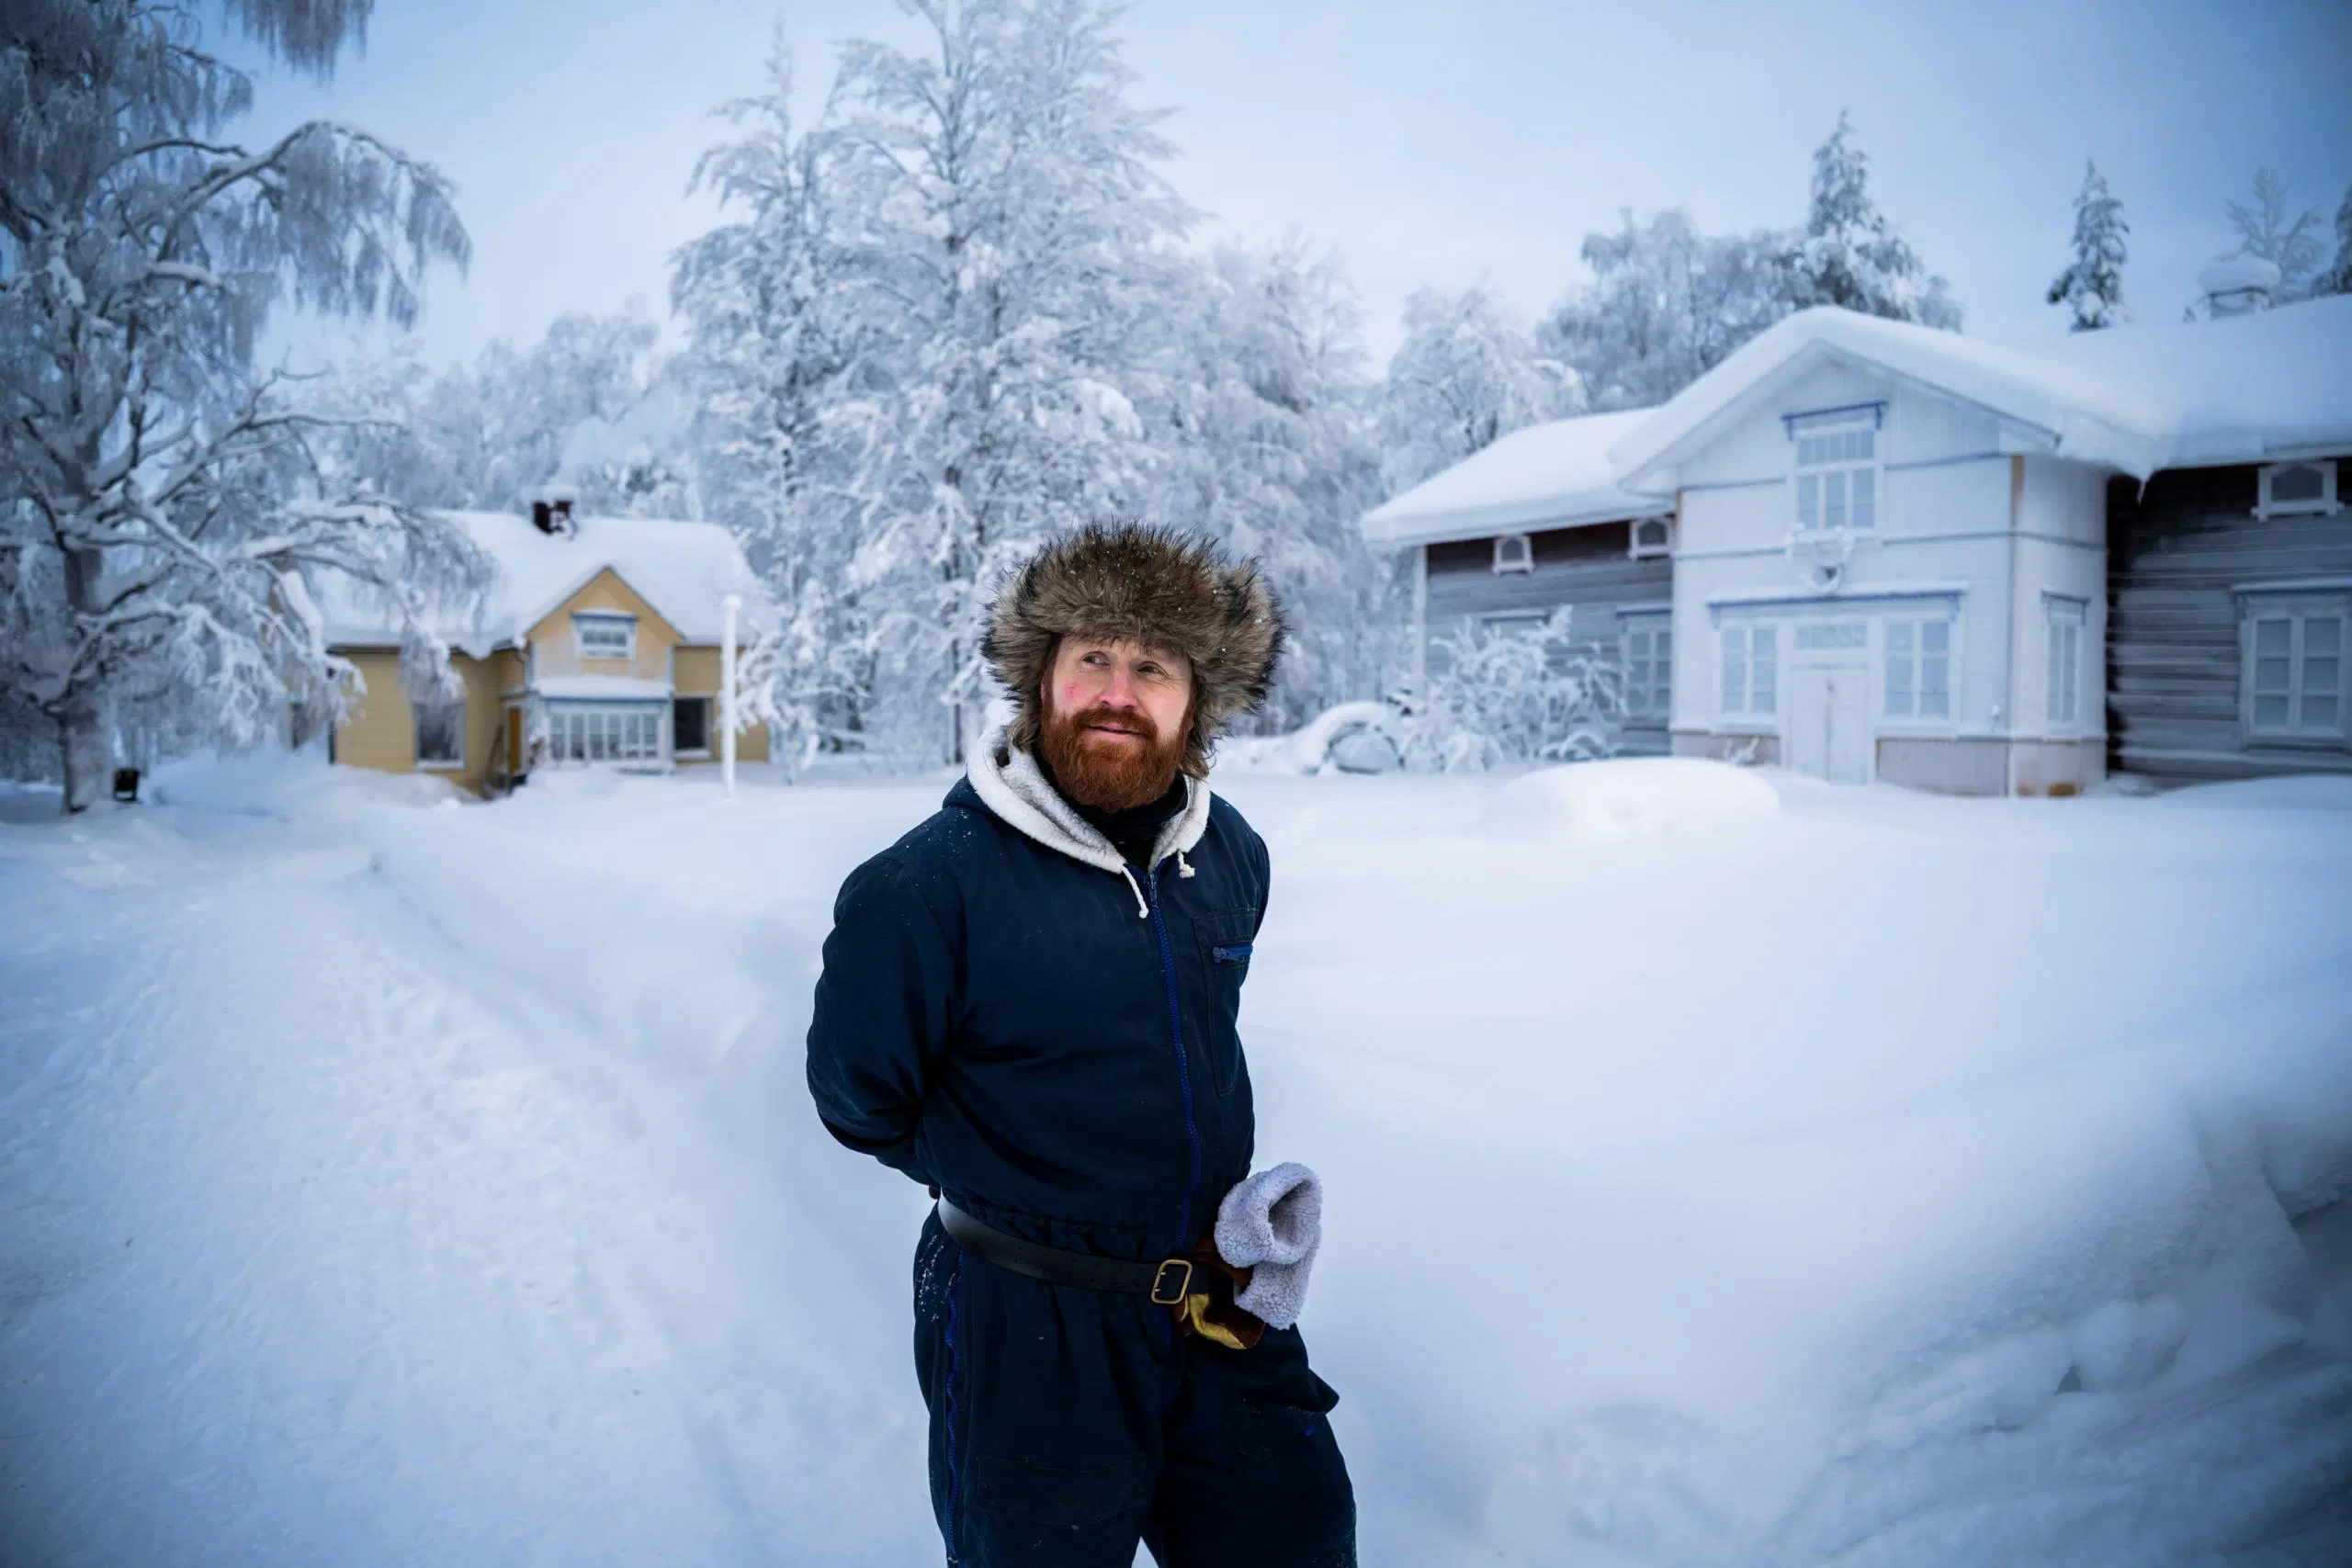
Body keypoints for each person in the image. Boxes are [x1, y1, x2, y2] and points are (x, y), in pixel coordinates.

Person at [807, 524, 1356, 1567]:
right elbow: (857, 1099)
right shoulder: (928, 885)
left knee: (1302, 1540)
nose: (1118, 690)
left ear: (1197, 701)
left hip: (1217, 1303)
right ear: (1038, 680)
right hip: (1027, 1324)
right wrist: (1027, 1186)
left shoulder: (1230, 853)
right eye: (1091, 657)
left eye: (1153, 666)